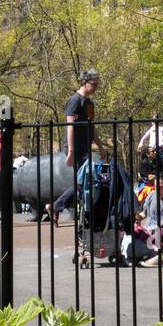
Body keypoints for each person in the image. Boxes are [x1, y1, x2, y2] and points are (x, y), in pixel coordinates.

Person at [50, 69, 100, 225]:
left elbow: (92, 127)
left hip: (85, 147)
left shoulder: (90, 103)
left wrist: (100, 147)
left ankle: (57, 206)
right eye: (93, 84)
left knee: (85, 180)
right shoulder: (74, 101)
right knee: (84, 180)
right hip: (75, 148)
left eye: (97, 84)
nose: (96, 87)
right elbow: (69, 126)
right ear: (84, 82)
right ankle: (60, 206)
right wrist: (70, 151)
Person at [133, 172, 163, 250]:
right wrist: (136, 217)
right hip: (148, 230)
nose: (157, 190)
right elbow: (144, 213)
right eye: (155, 187)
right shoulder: (151, 195)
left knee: (150, 239)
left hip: (162, 232)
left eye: (160, 187)